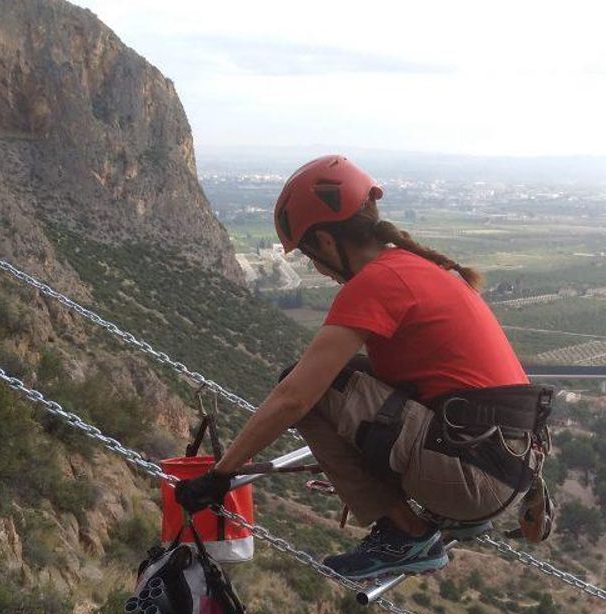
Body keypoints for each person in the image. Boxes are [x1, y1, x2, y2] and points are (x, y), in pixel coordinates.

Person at [174, 155, 553, 581]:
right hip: (508, 460)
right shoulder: (418, 267)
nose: (315, 267)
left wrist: (220, 475)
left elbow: (294, 397)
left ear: (326, 243)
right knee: (352, 374)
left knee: (313, 388)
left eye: (309, 255)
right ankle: (437, 514)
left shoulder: (375, 282)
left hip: (475, 478)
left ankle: (403, 534)